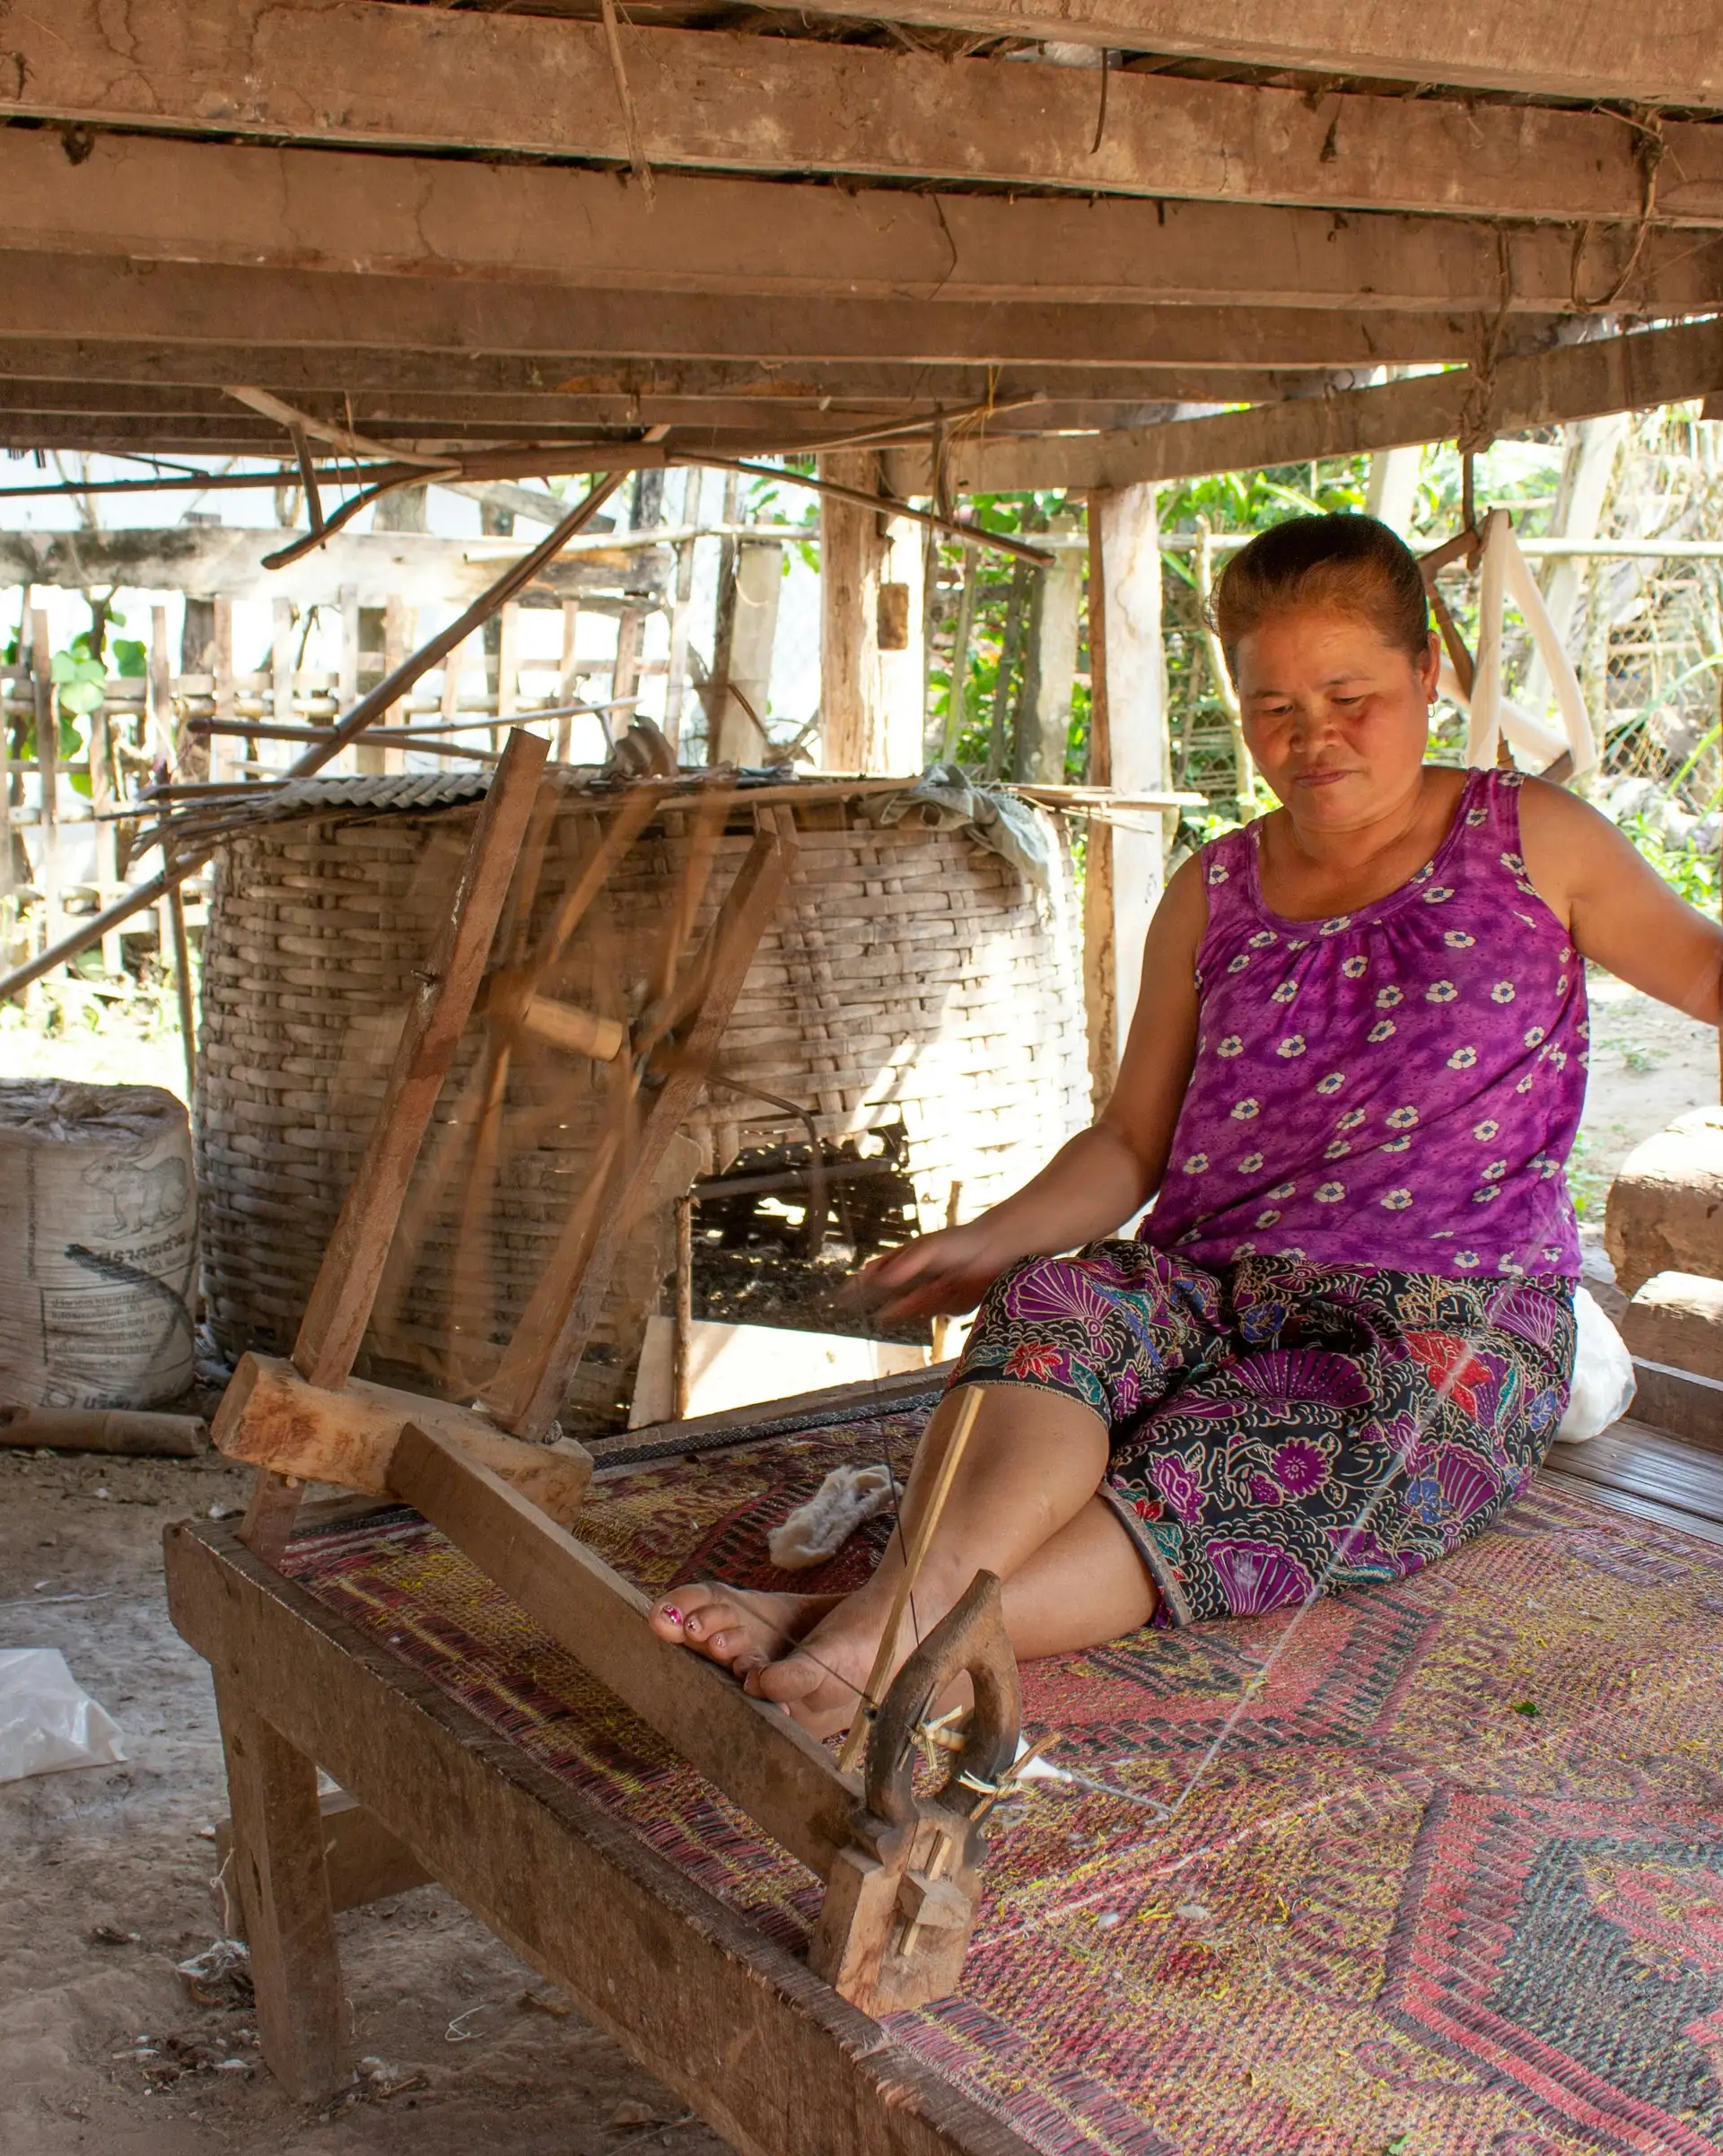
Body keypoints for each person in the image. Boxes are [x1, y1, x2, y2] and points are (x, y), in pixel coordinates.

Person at [651, 512, 1723, 1738]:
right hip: (1209, 1285)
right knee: (1061, 1303)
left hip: (1446, 1321)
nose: (1312, 736)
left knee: (1274, 1448)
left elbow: (1705, 972)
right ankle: (900, 1612)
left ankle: (869, 1628)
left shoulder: (1533, 838)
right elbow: (1129, 1146)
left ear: (1428, 674)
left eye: (1351, 694)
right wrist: (994, 1241)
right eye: (1274, 707)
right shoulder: (1211, 890)